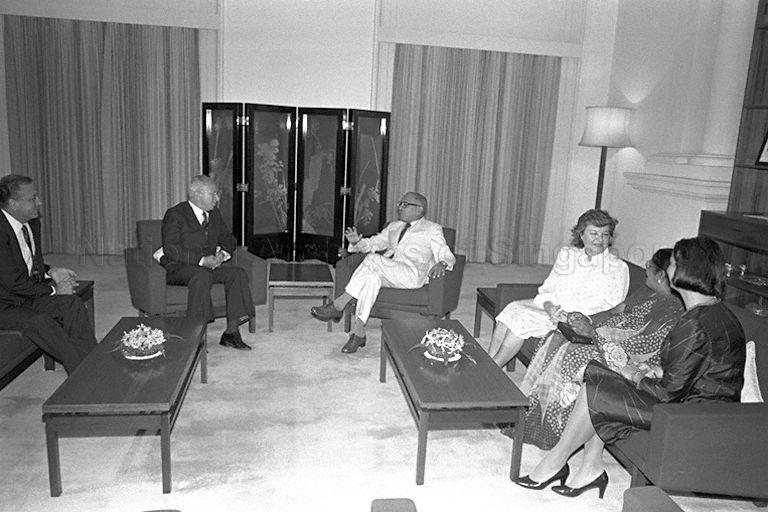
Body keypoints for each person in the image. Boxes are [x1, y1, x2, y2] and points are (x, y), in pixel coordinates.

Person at [514, 236, 745, 499]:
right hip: (694, 406)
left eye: (672, 263)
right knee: (599, 373)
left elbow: (668, 395)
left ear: (685, 271)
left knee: (599, 384)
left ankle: (555, 462)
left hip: (690, 420)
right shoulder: (713, 312)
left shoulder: (695, 324)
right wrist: (652, 370)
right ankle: (590, 467)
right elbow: (694, 370)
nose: (667, 268)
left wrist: (633, 373)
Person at [518, 248, 684, 449]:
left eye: (651, 265)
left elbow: (641, 347)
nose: (646, 266)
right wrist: (585, 320)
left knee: (574, 354)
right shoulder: (648, 291)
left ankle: (556, 428)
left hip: (628, 357)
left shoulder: (674, 309)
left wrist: (592, 334)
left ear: (661, 276)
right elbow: (616, 310)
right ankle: (529, 411)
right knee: (554, 337)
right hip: (605, 337)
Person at [310, 192, 456, 353]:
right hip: (391, 271)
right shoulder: (394, 227)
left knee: (373, 260)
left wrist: (442, 263)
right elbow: (374, 243)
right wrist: (357, 242)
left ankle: (339, 304)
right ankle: (358, 333)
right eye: (400, 203)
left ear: (419, 209)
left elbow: (444, 252)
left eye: (405, 204)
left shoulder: (432, 229)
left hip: (412, 275)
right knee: (371, 278)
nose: (399, 207)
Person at [489, 209, 630, 366]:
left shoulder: (618, 267)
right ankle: (488, 361)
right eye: (594, 233)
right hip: (554, 309)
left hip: (578, 321)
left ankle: (493, 368)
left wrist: (573, 315)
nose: (600, 239)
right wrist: (549, 305)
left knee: (524, 318)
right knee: (513, 307)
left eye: (605, 234)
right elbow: (549, 286)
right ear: (581, 234)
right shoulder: (568, 254)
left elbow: (613, 306)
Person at [0, 174, 96, 374]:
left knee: (72, 304)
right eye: (32, 199)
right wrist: (54, 289)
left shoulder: (31, 223)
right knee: (41, 323)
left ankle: (91, 368)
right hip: (5, 304)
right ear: (12, 203)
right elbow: (12, 281)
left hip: (25, 295)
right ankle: (84, 377)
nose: (39, 202)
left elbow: (25, 260)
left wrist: (51, 270)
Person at [159, 174, 255, 350]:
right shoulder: (175, 214)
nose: (217, 199)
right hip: (180, 267)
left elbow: (229, 239)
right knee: (201, 275)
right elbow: (171, 249)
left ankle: (231, 333)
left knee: (237, 274)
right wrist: (202, 260)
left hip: (209, 265)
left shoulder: (214, 214)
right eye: (213, 194)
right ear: (197, 195)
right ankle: (195, 336)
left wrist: (222, 255)